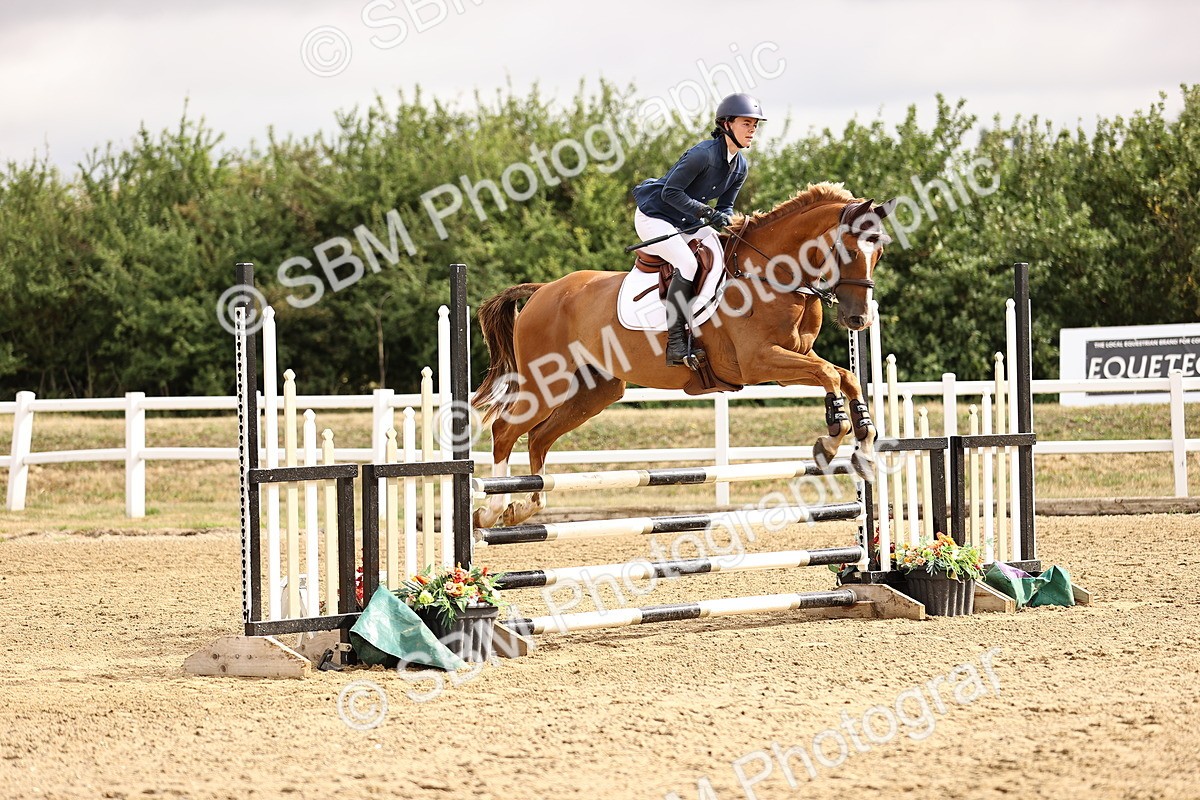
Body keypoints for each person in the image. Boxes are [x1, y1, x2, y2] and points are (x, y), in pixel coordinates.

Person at [632, 93, 766, 366]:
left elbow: (727, 206)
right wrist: (707, 213)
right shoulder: (701, 155)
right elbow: (670, 193)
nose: (752, 130)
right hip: (655, 215)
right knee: (688, 264)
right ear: (727, 124)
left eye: (755, 125)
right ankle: (676, 343)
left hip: (687, 220)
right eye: (746, 124)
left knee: (724, 252)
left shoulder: (740, 166)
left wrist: (725, 218)